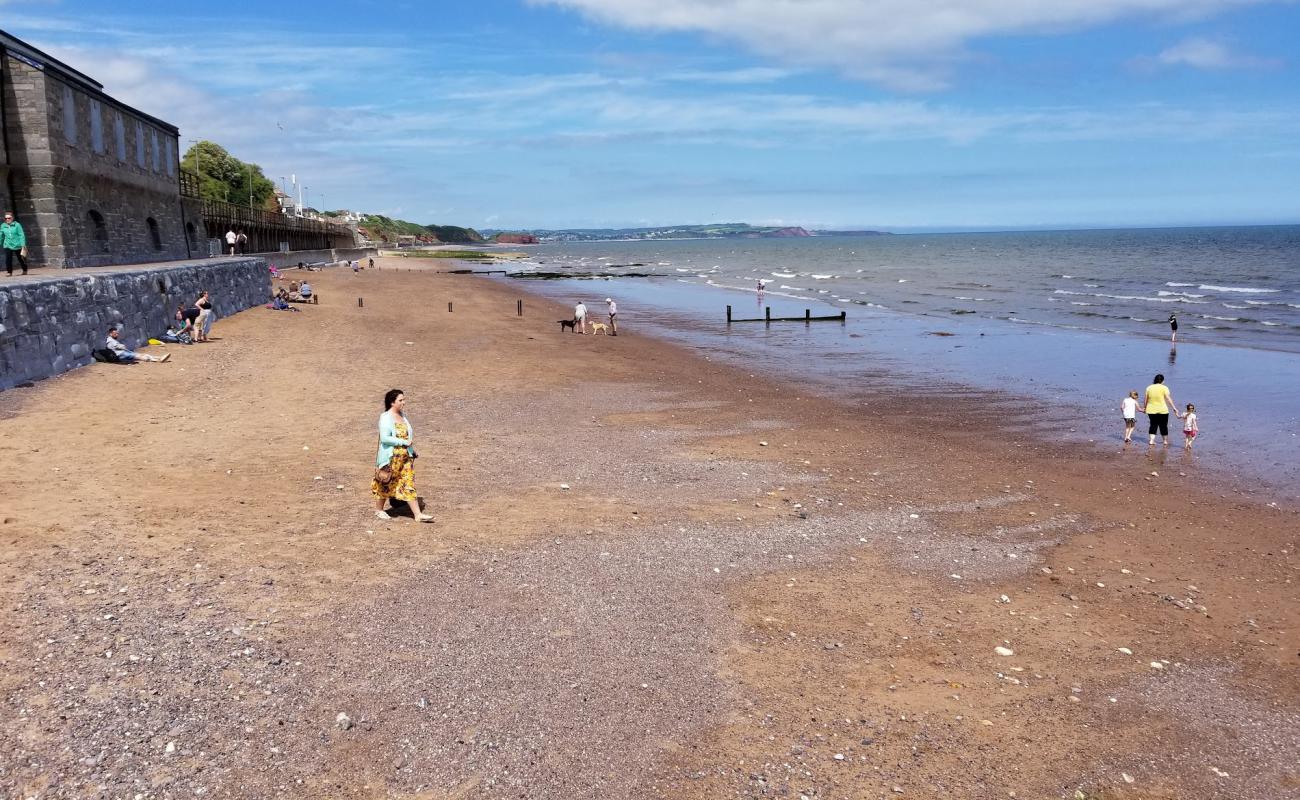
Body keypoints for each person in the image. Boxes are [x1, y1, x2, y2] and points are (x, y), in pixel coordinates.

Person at [372, 389, 434, 522]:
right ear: (392, 402)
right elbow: (385, 438)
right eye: (400, 400)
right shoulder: (386, 417)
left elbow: (407, 436)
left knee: (408, 482)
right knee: (386, 482)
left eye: (403, 400)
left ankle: (417, 515)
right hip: (391, 457)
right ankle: (379, 510)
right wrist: (404, 442)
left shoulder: (402, 415)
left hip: (405, 458)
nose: (403, 403)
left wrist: (411, 450)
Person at [1142, 373, 1180, 447]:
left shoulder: (1149, 387)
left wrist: (1144, 408)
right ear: (1162, 381)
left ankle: (1151, 440)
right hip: (1163, 410)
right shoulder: (1164, 388)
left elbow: (1146, 399)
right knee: (1163, 425)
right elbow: (1168, 399)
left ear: (1155, 380)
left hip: (1151, 409)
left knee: (1153, 424)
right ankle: (1165, 441)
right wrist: (1174, 408)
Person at [105, 325, 169, 362]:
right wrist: (122, 346)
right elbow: (116, 347)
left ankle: (159, 358)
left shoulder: (111, 340)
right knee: (138, 356)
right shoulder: (110, 341)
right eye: (115, 333)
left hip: (121, 353)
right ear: (110, 334)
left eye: (117, 333)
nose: (117, 335)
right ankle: (158, 360)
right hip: (120, 354)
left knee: (141, 355)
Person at [3, 211, 28, 276]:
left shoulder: (17, 225)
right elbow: (1, 235)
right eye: (6, 218)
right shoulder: (3, 226)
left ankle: (25, 270)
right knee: (8, 259)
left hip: (18, 244)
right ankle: (9, 272)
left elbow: (21, 235)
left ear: (12, 218)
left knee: (21, 258)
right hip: (7, 244)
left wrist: (23, 244)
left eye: (9, 218)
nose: (7, 219)